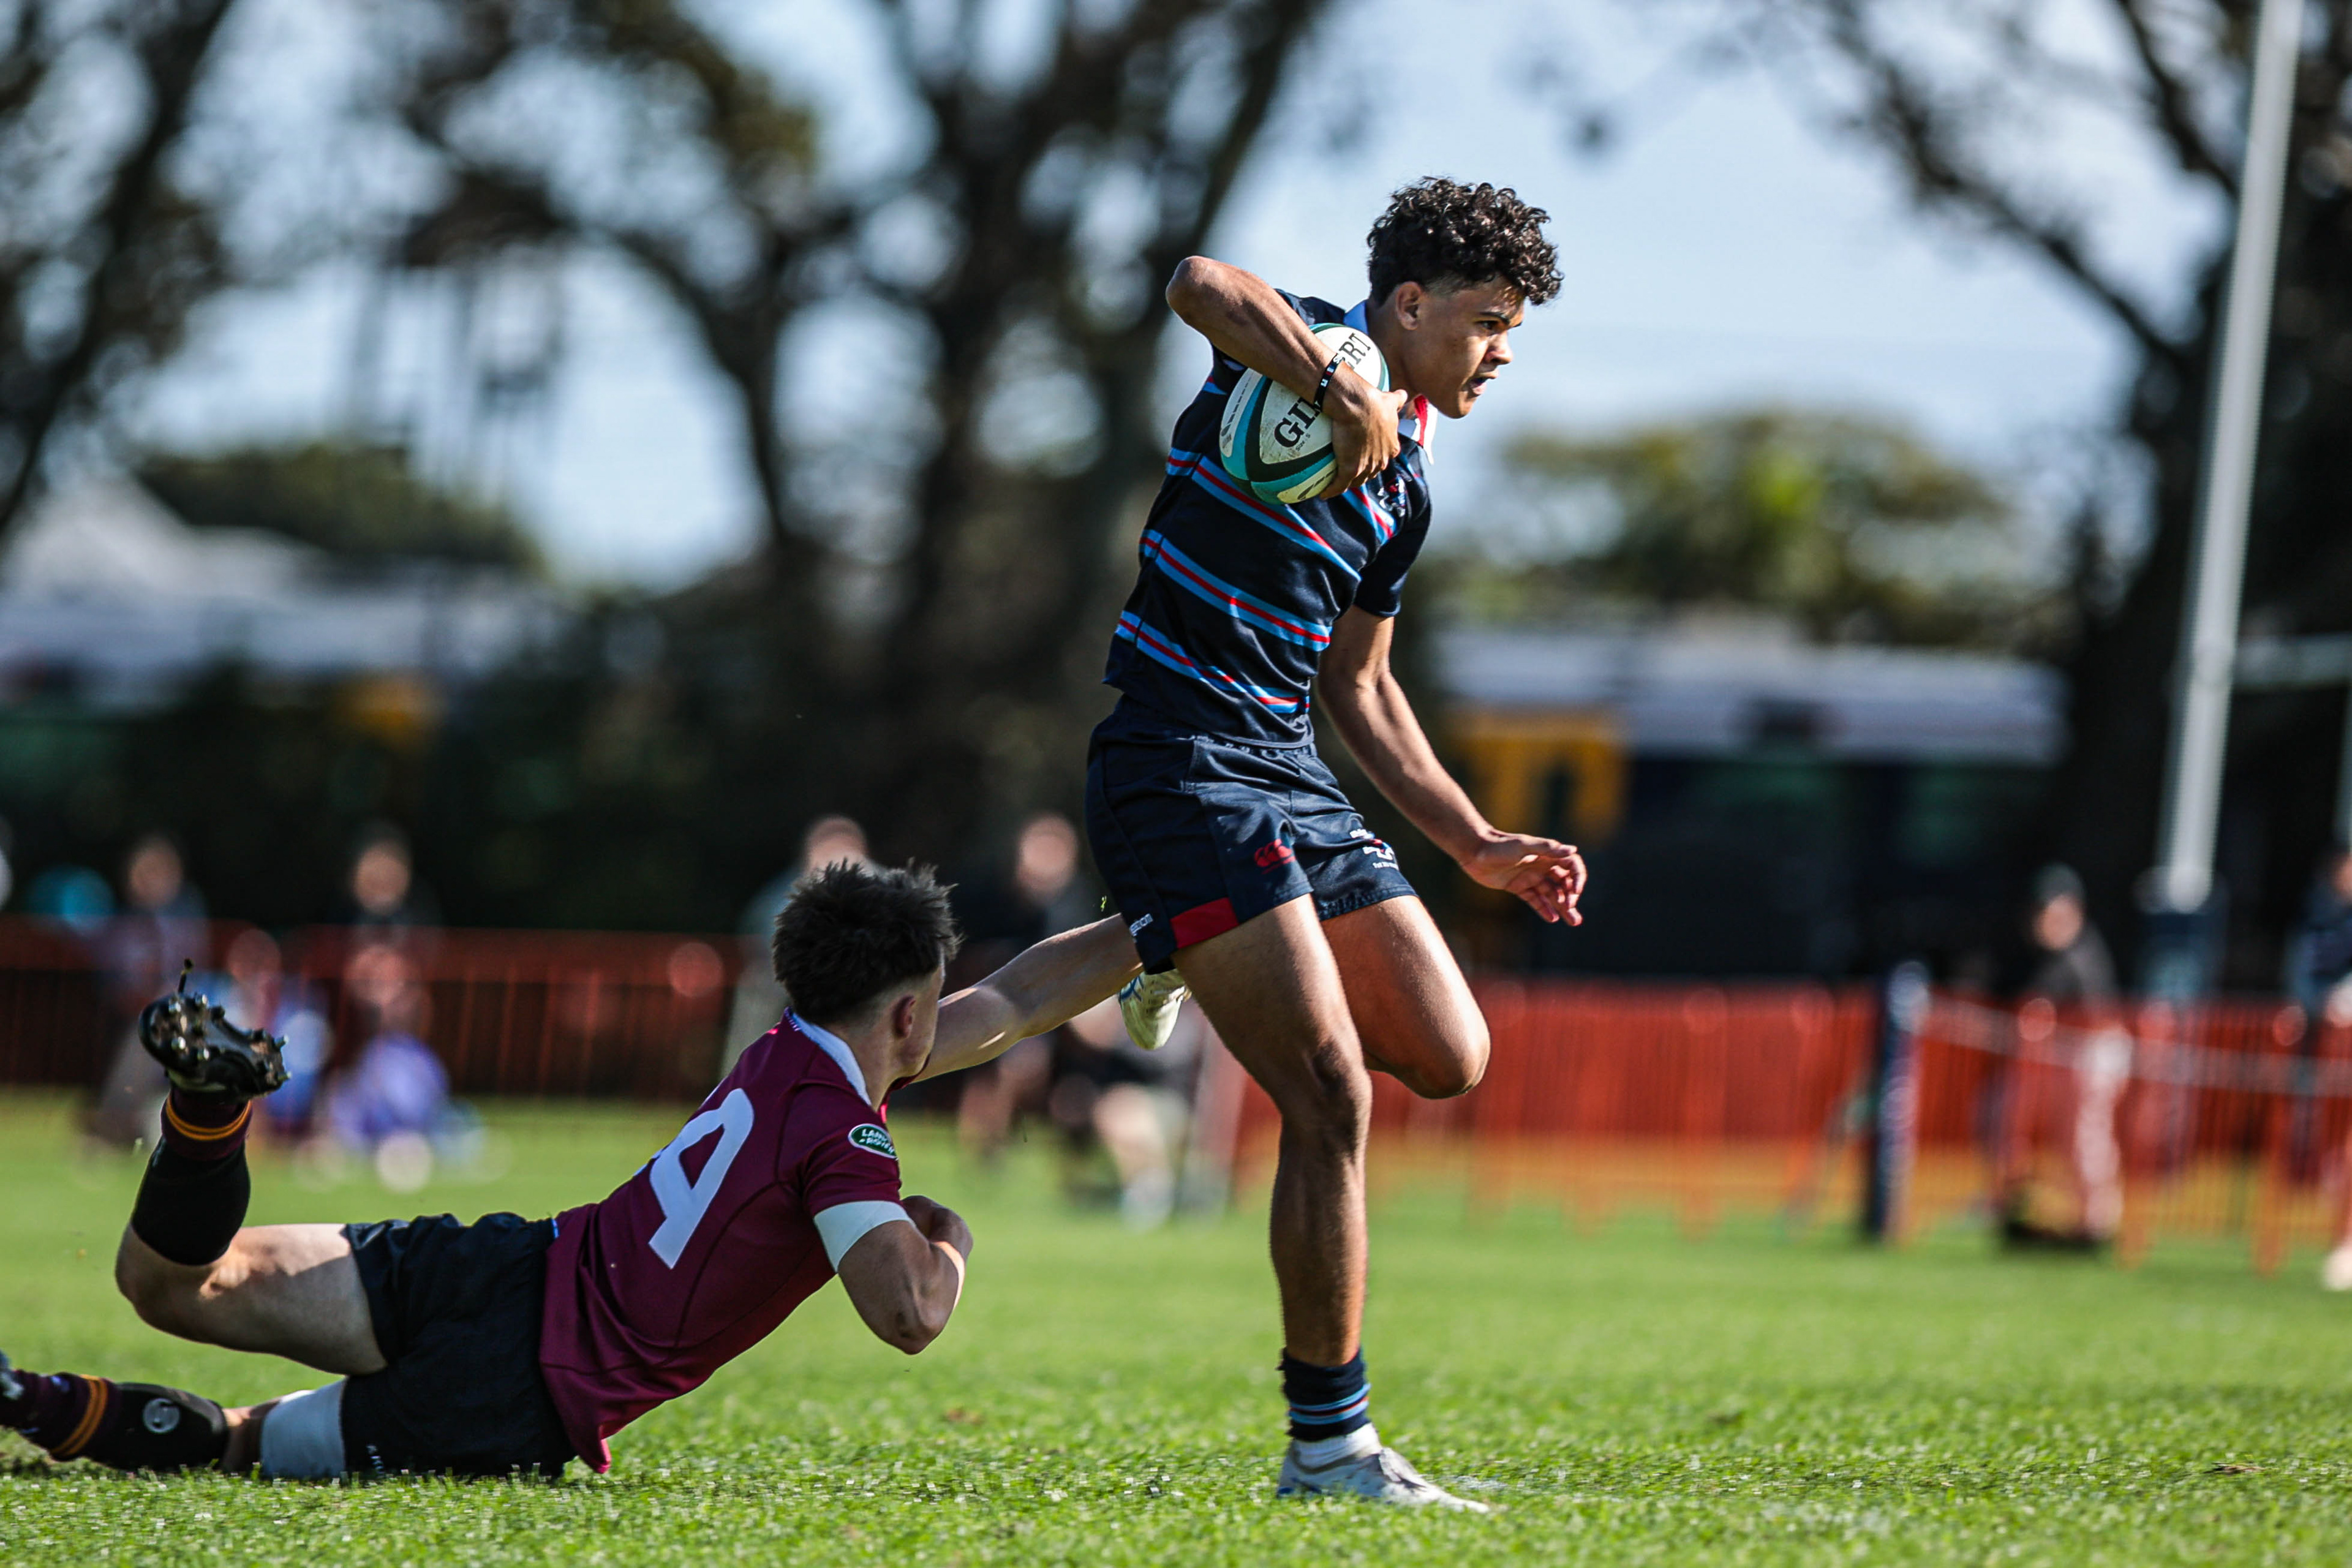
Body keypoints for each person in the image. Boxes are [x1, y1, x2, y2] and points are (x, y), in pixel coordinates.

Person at [0, 862, 1140, 1479]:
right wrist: (951, 1239)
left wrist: (1158, 927)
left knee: (171, 1281)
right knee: (246, 1439)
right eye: (932, 1003)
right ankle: (24, 1401)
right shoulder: (842, 1135)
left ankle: (205, 1116)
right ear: (905, 1017)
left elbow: (1013, 1002)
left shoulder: (789, 1048)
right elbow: (910, 1315)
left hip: (501, 1264)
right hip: (519, 1393)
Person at [1088, 178, 1584, 1509]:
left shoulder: (1406, 486)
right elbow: (1198, 281)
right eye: (1487, 323)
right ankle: (1330, 1449)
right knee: (1329, 1097)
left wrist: (1474, 841)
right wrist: (1332, 379)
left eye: (1514, 330)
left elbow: (1360, 688)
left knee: (1450, 1052)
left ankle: (1177, 938)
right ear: (1408, 304)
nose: (1502, 353)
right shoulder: (1299, 347)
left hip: (1289, 775)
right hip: (1182, 760)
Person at [1994, 865, 2125, 1251]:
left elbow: (2090, 1015)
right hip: (2063, 1055)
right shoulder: (2045, 957)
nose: (2043, 921)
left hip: (2092, 1052)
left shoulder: (2080, 955)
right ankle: (2033, 1212)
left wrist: (2038, 1023)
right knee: (2026, 1128)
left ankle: (2096, 1224)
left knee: (2084, 1137)